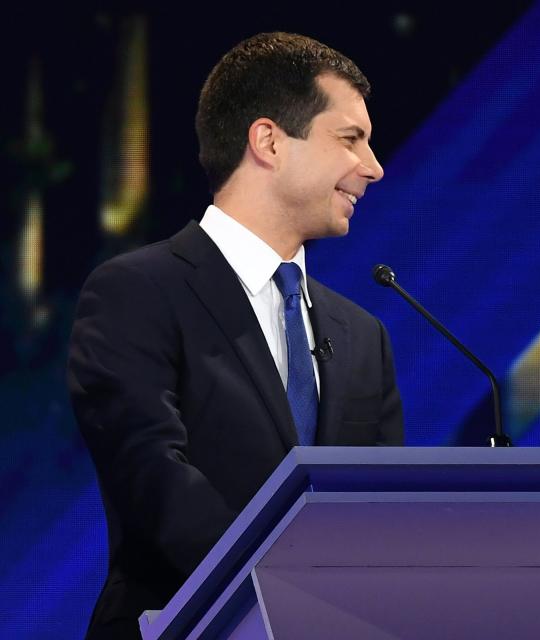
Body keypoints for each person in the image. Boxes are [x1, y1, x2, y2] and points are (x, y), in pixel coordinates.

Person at [68, 32, 403, 638]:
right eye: (351, 139)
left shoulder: (363, 336)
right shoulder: (135, 292)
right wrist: (287, 595)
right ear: (269, 141)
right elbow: (154, 479)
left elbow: (376, 511)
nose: (374, 167)